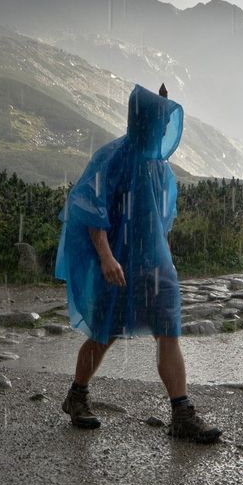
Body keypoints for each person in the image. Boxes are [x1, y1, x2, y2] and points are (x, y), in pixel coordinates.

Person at [54, 83, 221, 443]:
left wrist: (167, 262)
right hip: (118, 264)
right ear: (142, 120)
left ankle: (181, 413)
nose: (162, 130)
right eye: (158, 122)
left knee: (169, 333)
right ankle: (76, 395)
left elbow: (163, 222)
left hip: (156, 266)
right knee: (104, 332)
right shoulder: (113, 157)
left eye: (166, 124)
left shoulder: (162, 170)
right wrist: (106, 256)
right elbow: (89, 205)